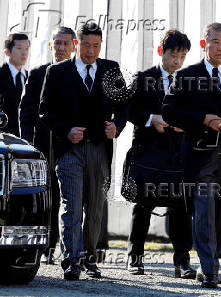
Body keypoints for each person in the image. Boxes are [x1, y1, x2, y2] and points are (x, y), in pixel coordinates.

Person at [162, 22, 221, 288]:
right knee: (204, 211)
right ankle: (210, 270)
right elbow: (169, 112)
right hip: (199, 157)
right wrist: (204, 119)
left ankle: (211, 258)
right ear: (205, 44)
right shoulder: (186, 76)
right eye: (216, 42)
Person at [39, 22, 127, 280]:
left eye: (96, 45)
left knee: (96, 208)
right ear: (76, 44)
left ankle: (90, 259)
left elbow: (123, 105)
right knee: (72, 206)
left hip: (100, 150)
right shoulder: (57, 72)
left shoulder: (111, 69)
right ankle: (71, 260)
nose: (91, 51)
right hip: (70, 150)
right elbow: (45, 111)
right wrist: (66, 130)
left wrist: (117, 126)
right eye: (86, 45)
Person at [126, 29, 195, 279]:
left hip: (177, 156)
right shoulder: (144, 77)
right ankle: (135, 259)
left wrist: (184, 123)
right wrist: (151, 119)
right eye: (173, 55)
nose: (177, 61)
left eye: (183, 56)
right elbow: (129, 111)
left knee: (181, 209)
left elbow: (197, 114)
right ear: (161, 52)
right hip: (148, 154)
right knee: (143, 207)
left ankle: (183, 262)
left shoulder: (189, 81)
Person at [19, 26, 76, 265]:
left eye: (65, 43)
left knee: (71, 197)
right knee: (47, 196)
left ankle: (74, 249)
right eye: (57, 43)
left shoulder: (79, 74)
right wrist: (27, 146)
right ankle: (46, 247)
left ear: (74, 45)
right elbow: (26, 111)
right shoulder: (37, 73)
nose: (61, 47)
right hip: (43, 146)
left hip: (72, 146)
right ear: (51, 45)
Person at [0, 33, 29, 136]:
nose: (24, 53)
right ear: (7, 52)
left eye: (26, 49)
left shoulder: (31, 77)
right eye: (19, 48)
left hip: (26, 139)